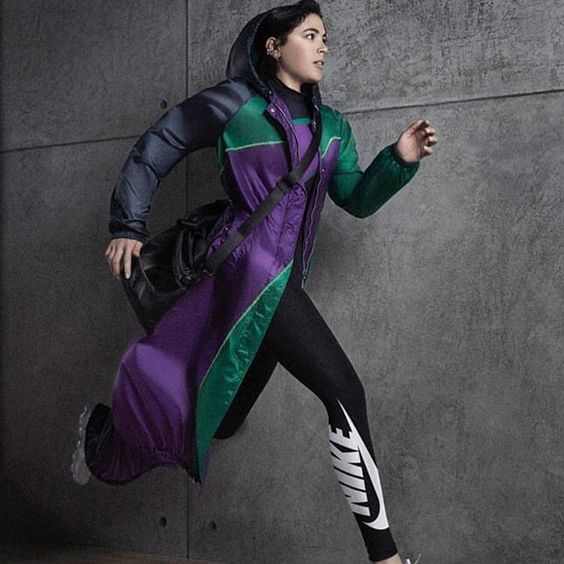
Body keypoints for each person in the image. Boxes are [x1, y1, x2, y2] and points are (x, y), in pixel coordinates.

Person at [71, 2, 437, 562]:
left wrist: (399, 159)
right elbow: (158, 144)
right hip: (245, 270)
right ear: (274, 46)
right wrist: (128, 225)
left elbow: (357, 199)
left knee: (221, 417)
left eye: (325, 37)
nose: (323, 46)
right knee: (344, 390)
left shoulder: (333, 127)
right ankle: (386, 557)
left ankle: (104, 439)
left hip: (283, 284)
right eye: (309, 35)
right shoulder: (235, 105)